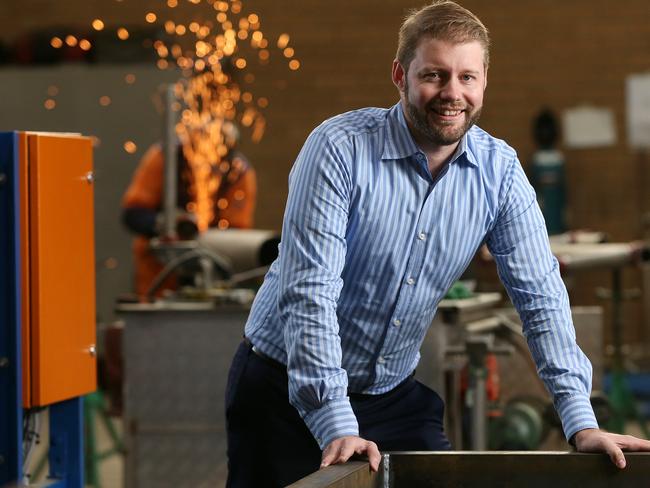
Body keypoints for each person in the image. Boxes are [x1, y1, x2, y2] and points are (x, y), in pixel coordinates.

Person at [225, 2, 650, 486]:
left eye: (467, 77)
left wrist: (580, 420)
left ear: (485, 79)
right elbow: (309, 293)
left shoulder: (500, 172)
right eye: (434, 75)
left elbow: (541, 297)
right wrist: (336, 424)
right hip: (285, 392)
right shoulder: (338, 150)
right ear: (399, 75)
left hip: (391, 396)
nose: (452, 93)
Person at [122, 122, 257, 299]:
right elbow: (133, 213)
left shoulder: (238, 172)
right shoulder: (164, 158)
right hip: (158, 273)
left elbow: (236, 233)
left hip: (213, 274)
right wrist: (163, 224)